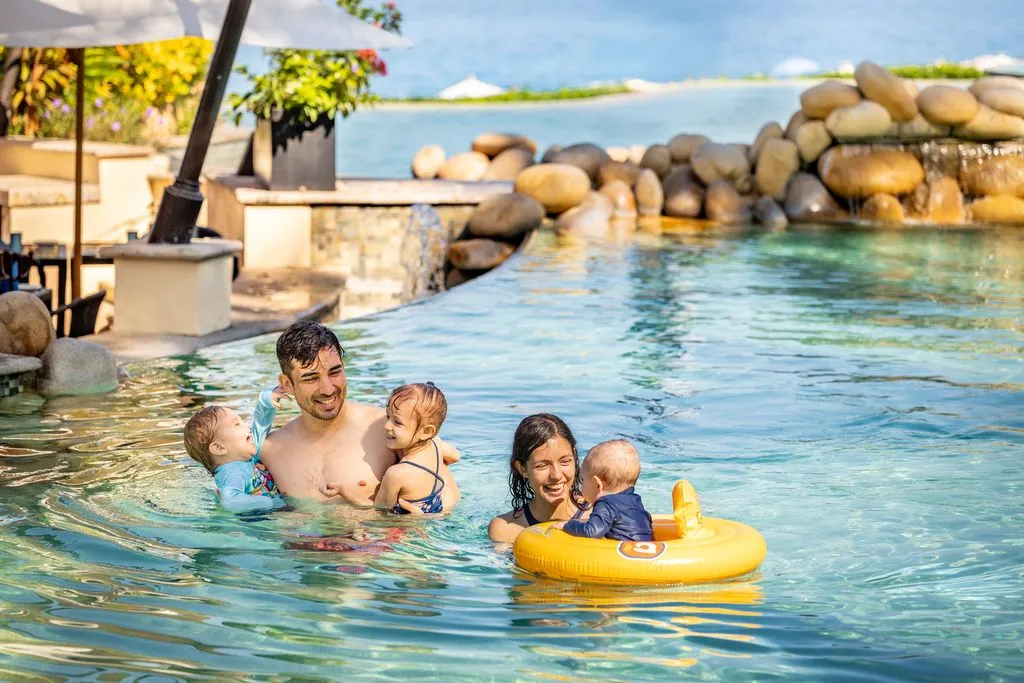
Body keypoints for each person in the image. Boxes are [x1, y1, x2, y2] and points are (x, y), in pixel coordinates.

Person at [258, 320, 459, 506]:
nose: (328, 389)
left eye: (335, 372)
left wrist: (416, 522)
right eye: (311, 378)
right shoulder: (270, 450)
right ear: (287, 384)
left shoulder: (389, 429)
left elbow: (448, 495)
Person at [183, 386, 290, 513]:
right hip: (257, 520)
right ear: (219, 447)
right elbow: (230, 502)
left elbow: (260, 428)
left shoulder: (243, 455)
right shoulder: (233, 471)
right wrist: (270, 503)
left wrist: (266, 401)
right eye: (237, 424)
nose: (247, 425)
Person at [488, 414, 588, 544]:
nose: (556, 475)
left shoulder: (602, 517)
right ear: (522, 468)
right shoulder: (506, 530)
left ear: (574, 457)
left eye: (565, 461)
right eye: (542, 465)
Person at [373, 382, 460, 514]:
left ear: (426, 432)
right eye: (387, 417)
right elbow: (456, 456)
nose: (386, 426)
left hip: (410, 529)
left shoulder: (397, 474)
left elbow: (380, 512)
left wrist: (348, 493)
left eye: (397, 422)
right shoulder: (436, 443)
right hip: (437, 512)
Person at [558, 439, 653, 542]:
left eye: (583, 480)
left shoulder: (605, 504)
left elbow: (592, 532)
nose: (581, 485)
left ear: (597, 485)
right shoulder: (635, 501)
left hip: (621, 555)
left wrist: (568, 525)